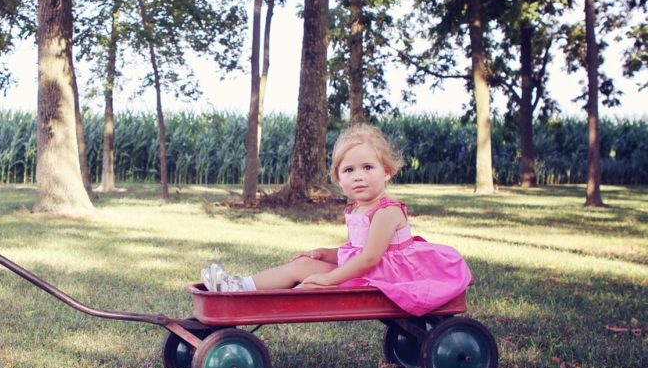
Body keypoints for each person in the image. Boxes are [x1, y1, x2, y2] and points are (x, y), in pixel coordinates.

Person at [201, 123, 472, 317]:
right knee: (304, 263)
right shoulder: (355, 208)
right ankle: (241, 287)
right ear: (338, 178)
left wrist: (329, 279)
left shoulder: (387, 211)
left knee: (310, 280)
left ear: (386, 172)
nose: (358, 176)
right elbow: (355, 248)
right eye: (349, 170)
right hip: (369, 270)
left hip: (390, 277)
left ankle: (249, 302)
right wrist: (326, 254)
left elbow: (369, 258)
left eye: (368, 168)